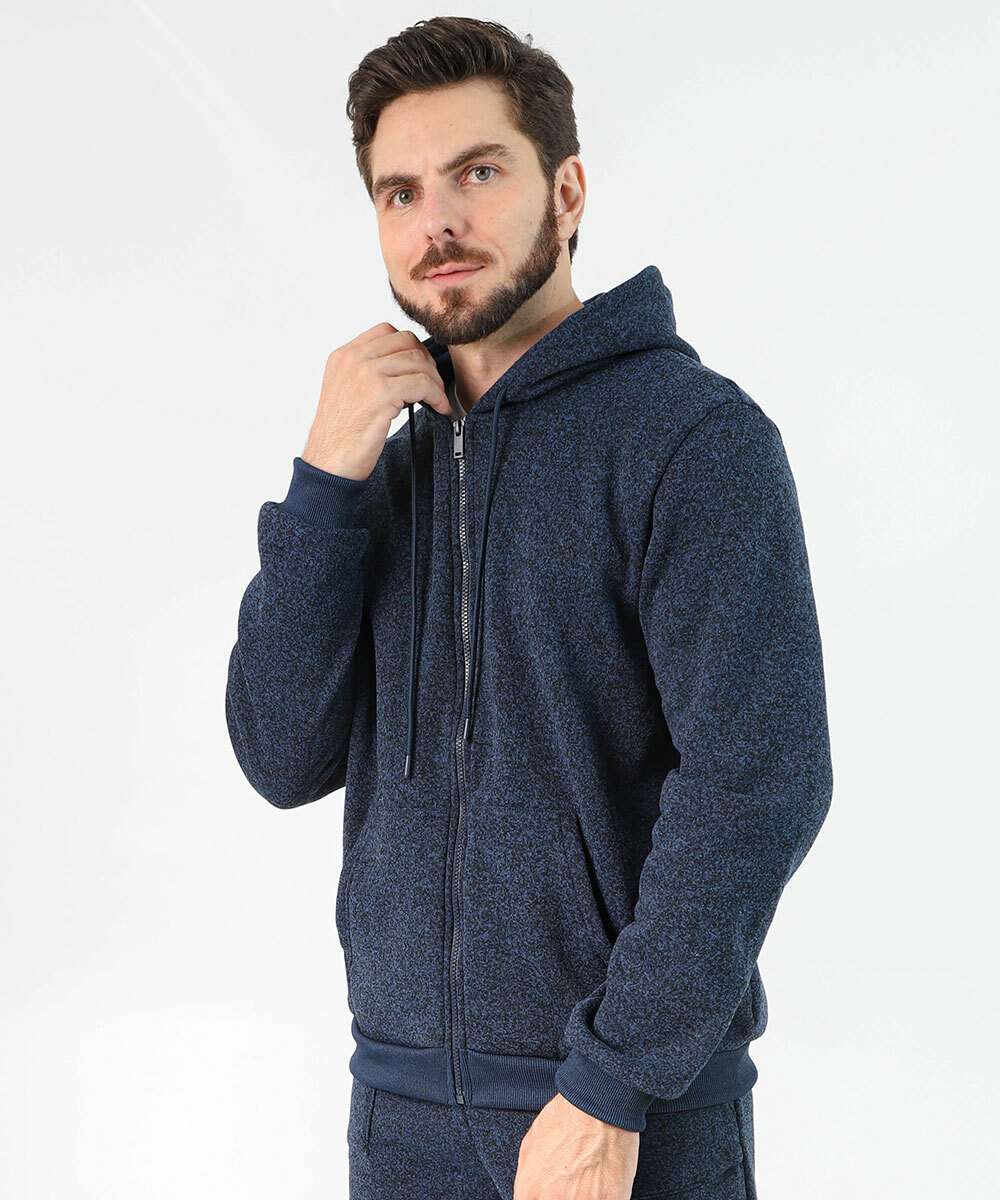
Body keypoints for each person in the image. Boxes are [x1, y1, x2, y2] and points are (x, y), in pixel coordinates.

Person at [224, 16, 833, 1199]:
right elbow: (280, 755)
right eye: (401, 193)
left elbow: (759, 781)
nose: (436, 222)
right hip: (397, 1116)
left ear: (566, 191)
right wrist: (322, 484)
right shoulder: (380, 470)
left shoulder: (691, 442)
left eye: (477, 173)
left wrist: (612, 1085)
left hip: (623, 1122)